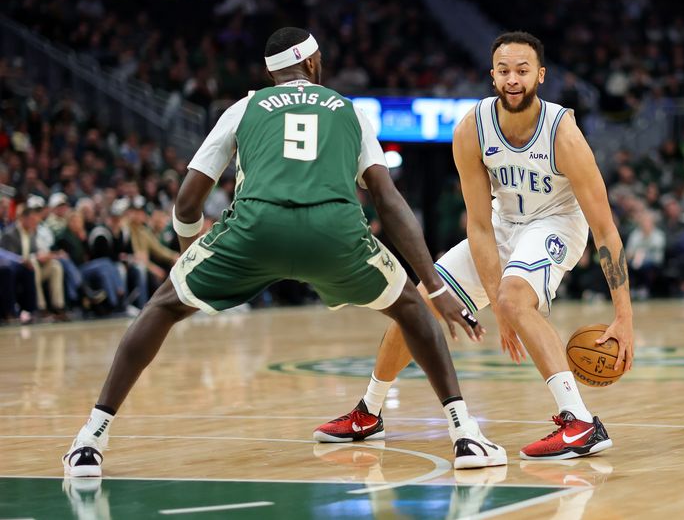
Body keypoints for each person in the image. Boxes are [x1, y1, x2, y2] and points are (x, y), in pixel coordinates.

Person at [63, 27, 506, 477]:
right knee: (412, 311)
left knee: (161, 307)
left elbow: (187, 203)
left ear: (272, 72)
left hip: (256, 229)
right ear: (313, 64)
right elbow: (388, 201)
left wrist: (189, 262)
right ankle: (464, 434)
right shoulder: (348, 111)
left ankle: (90, 441)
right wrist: (433, 285)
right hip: (334, 232)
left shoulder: (243, 107)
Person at [314, 31, 635, 460]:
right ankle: (369, 412)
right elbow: (480, 226)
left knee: (517, 297)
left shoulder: (564, 135)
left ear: (540, 75)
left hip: (557, 222)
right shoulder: (471, 128)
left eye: (522, 70)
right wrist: (497, 306)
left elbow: (605, 229)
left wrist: (624, 316)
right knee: (421, 302)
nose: (513, 79)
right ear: (493, 76)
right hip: (502, 226)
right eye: (504, 71)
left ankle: (579, 421)